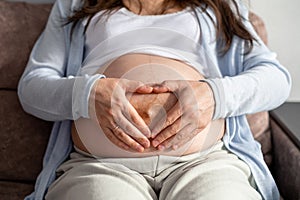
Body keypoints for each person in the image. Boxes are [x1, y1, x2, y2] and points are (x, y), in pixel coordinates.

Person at [17, 0, 291, 199]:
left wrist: (213, 95)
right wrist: (88, 94)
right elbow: (31, 87)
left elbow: (277, 81)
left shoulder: (220, 7)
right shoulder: (74, 6)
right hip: (100, 166)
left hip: (204, 162)